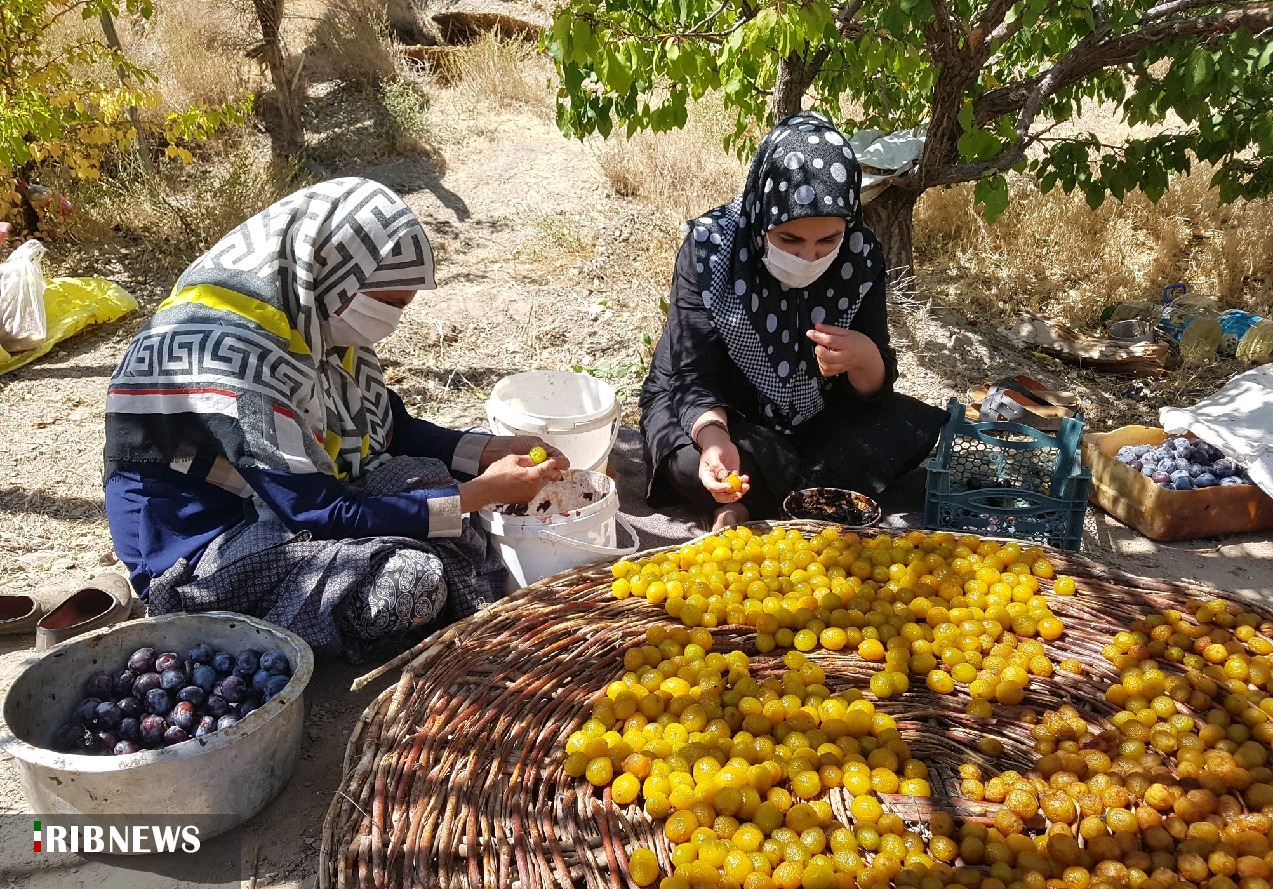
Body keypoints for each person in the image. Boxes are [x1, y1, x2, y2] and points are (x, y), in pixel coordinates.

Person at [104, 177, 566, 662]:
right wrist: (479, 494)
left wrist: (482, 450)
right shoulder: (233, 359)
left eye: (402, 306)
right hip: (204, 546)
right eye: (386, 303)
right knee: (411, 582)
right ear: (331, 270)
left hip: (283, 505)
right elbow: (318, 513)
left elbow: (390, 428)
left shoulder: (308, 324)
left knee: (429, 481)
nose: (391, 322)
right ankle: (228, 633)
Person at [640, 112, 947, 529]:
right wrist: (714, 439)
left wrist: (863, 358)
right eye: (789, 240)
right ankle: (780, 493)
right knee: (686, 461)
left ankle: (765, 495)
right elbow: (692, 375)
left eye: (827, 241)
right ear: (762, 217)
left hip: (815, 414)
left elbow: (874, 391)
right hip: (724, 412)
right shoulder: (711, 251)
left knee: (908, 427)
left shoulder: (860, 257)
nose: (808, 258)